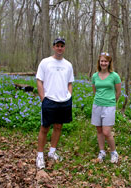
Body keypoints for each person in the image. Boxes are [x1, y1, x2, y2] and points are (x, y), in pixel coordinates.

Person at [35, 37, 74, 169]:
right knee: (44, 128)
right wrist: (43, 99)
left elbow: (70, 82)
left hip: (63, 102)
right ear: (53, 47)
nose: (59, 48)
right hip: (49, 101)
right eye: (57, 45)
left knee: (58, 127)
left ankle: (52, 151)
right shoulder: (45, 62)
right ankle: (40, 155)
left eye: (62, 46)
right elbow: (39, 80)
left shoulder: (68, 65)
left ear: (64, 48)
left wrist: (69, 96)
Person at [91, 52, 121, 163]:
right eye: (102, 61)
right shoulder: (95, 76)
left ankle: (114, 153)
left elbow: (118, 92)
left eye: (106, 61)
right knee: (99, 130)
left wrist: (113, 102)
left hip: (109, 106)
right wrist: (99, 100)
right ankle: (102, 152)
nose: (104, 63)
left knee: (106, 132)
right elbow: (95, 90)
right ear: (99, 62)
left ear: (109, 63)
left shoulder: (115, 76)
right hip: (97, 105)